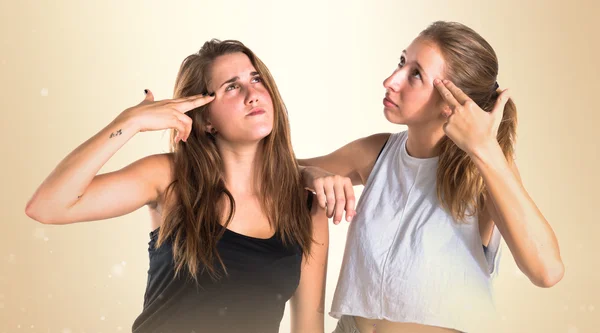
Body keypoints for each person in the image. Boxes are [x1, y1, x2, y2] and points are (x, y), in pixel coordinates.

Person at [25, 39, 329, 333]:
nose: (253, 94)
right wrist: (130, 122)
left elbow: (308, 327)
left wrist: (308, 173)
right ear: (206, 119)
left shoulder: (305, 206)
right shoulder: (170, 178)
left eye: (257, 79)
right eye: (232, 87)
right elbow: (48, 206)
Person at [299, 21, 564, 333]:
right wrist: (311, 174)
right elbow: (274, 173)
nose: (390, 80)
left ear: (452, 103)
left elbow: (547, 272)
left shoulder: (482, 170)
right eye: (402, 62)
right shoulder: (376, 153)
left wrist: (484, 148)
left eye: (415, 74)